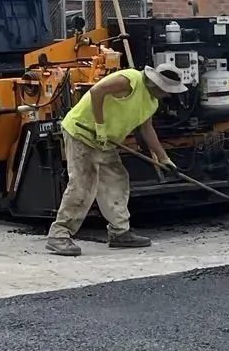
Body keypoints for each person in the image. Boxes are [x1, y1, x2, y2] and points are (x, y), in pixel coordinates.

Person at [45, 61, 187, 256]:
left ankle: (120, 232)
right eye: (167, 90)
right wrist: (100, 126)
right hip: (82, 132)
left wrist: (163, 159)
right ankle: (59, 235)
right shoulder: (130, 79)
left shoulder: (151, 102)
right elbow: (97, 92)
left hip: (105, 142)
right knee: (83, 183)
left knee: (116, 180)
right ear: (157, 84)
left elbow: (147, 129)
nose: (169, 95)